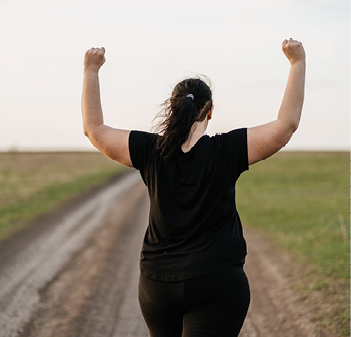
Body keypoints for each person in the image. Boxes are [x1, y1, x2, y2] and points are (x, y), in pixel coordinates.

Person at [81, 38, 306, 337]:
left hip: (157, 286)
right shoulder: (226, 149)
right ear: (209, 111)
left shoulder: (150, 149)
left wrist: (91, 70)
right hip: (217, 283)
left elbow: (93, 129)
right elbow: (286, 124)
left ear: (173, 109)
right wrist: (297, 63)